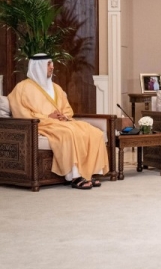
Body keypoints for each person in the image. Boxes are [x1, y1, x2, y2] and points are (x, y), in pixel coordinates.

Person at [7, 54, 109, 189]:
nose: (52, 67)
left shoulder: (56, 87)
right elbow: (21, 113)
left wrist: (63, 116)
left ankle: (91, 173)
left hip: (61, 122)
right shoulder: (22, 88)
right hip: (41, 125)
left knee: (93, 132)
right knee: (68, 133)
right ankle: (75, 176)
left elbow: (67, 109)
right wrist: (48, 117)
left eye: (52, 64)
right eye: (49, 64)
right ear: (39, 66)